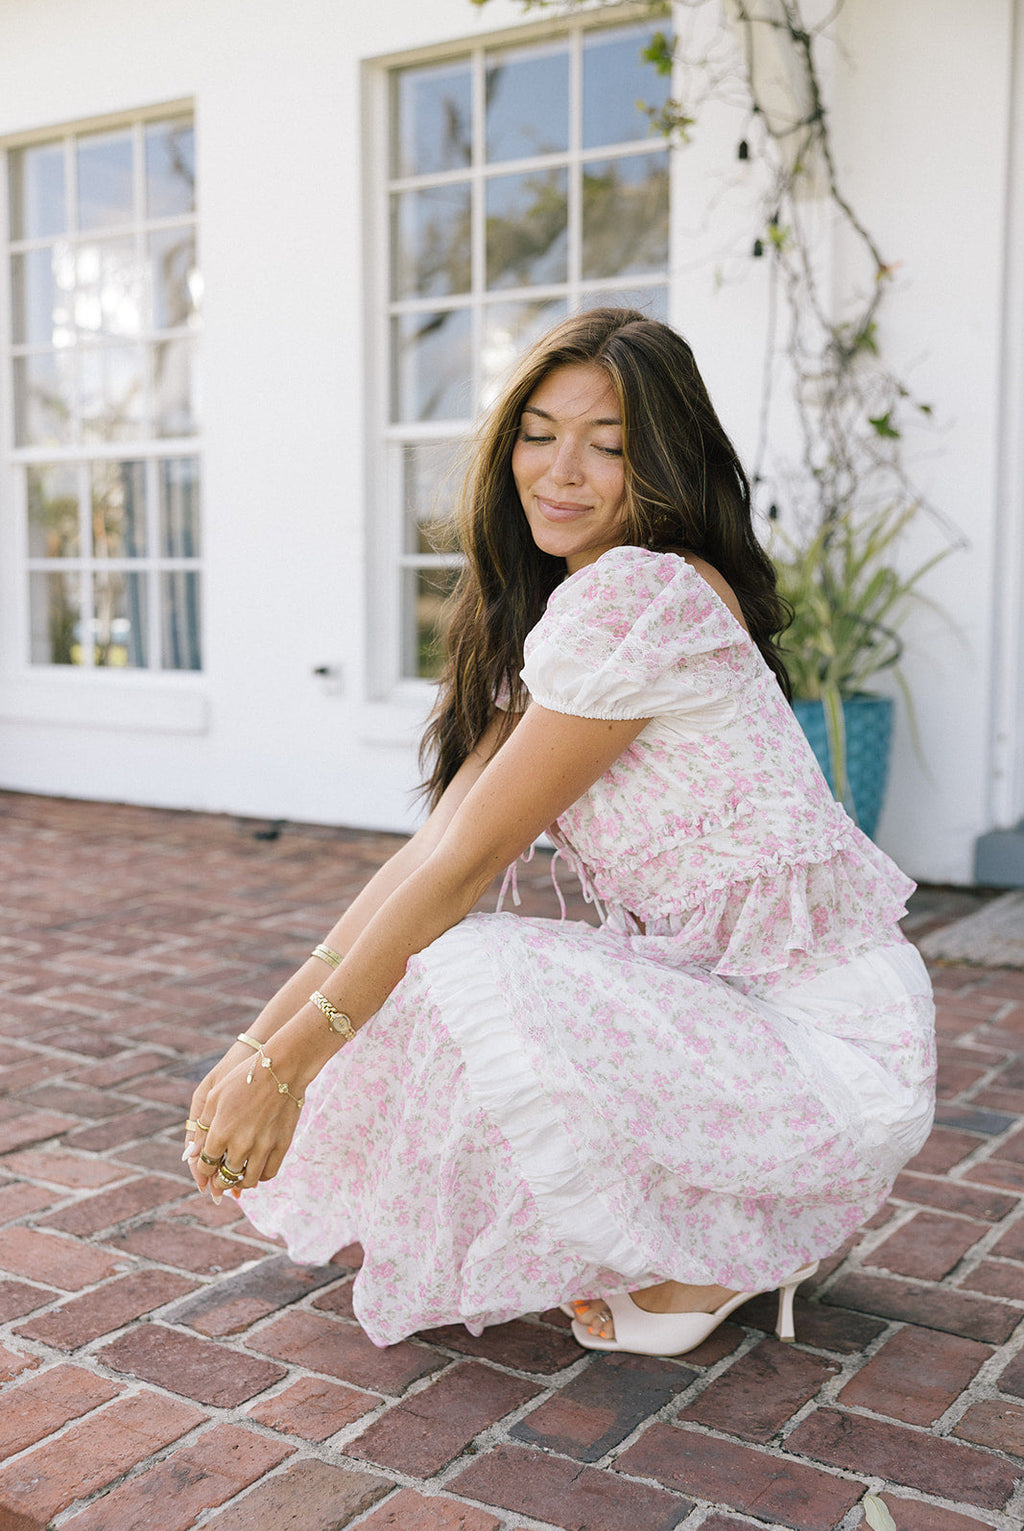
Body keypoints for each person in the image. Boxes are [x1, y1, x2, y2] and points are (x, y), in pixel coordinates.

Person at [184, 309, 935, 1356]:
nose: (562, 470)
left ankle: (727, 1244)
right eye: (538, 433)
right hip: (755, 1019)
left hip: (827, 1053)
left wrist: (288, 1067)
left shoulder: (640, 597)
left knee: (467, 960)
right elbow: (429, 850)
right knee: (421, 956)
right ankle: (732, 1239)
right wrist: (257, 1047)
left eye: (609, 445)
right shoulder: (574, 614)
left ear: (663, 463)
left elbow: (465, 870)